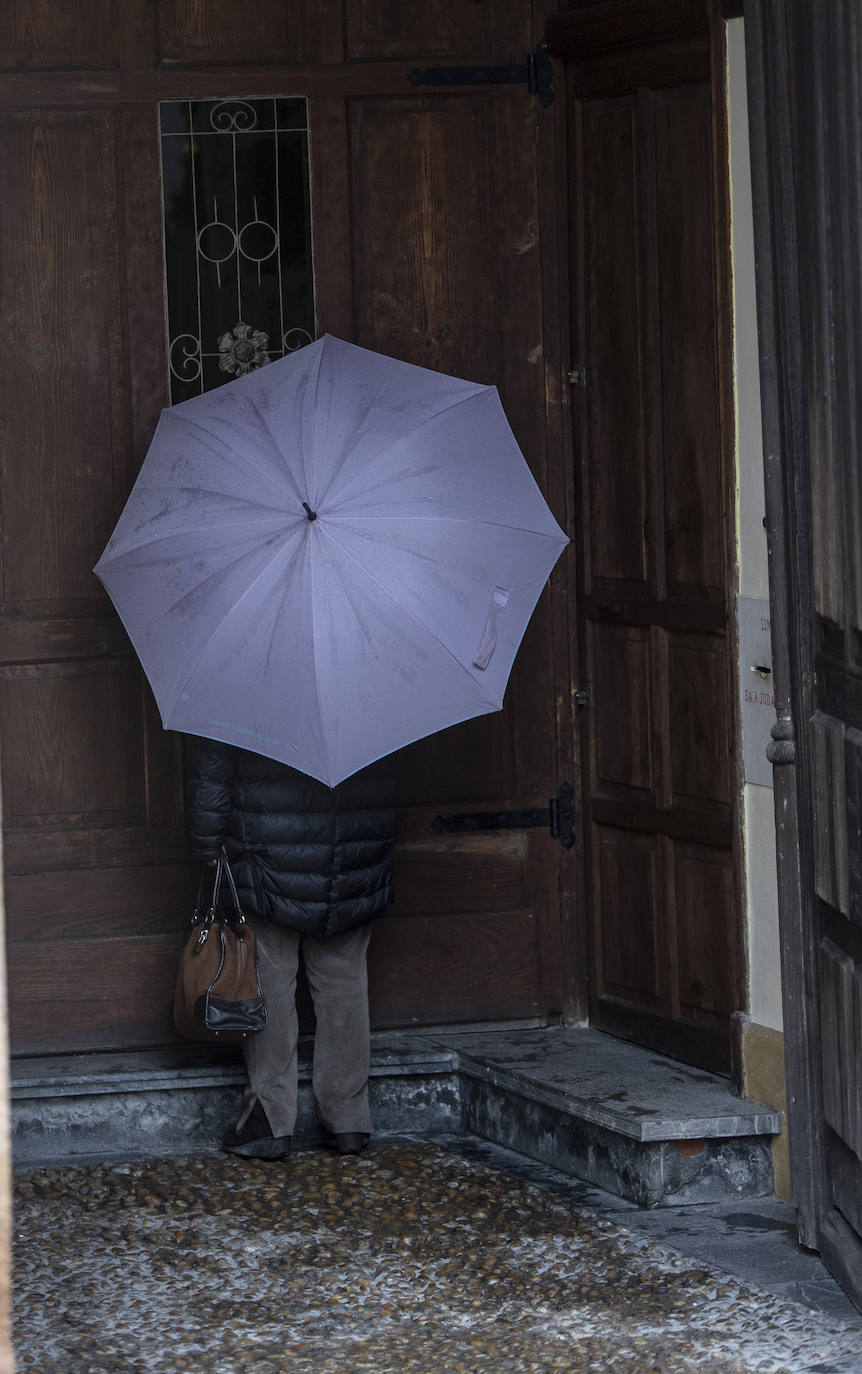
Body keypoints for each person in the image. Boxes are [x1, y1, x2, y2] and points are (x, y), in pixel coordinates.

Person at [184, 736, 397, 1161]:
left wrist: (207, 842)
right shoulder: (373, 675)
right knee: (344, 981)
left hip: (270, 849)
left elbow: (214, 764)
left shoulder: (244, 674)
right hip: (357, 845)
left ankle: (270, 1119)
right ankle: (349, 1119)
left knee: (271, 979)